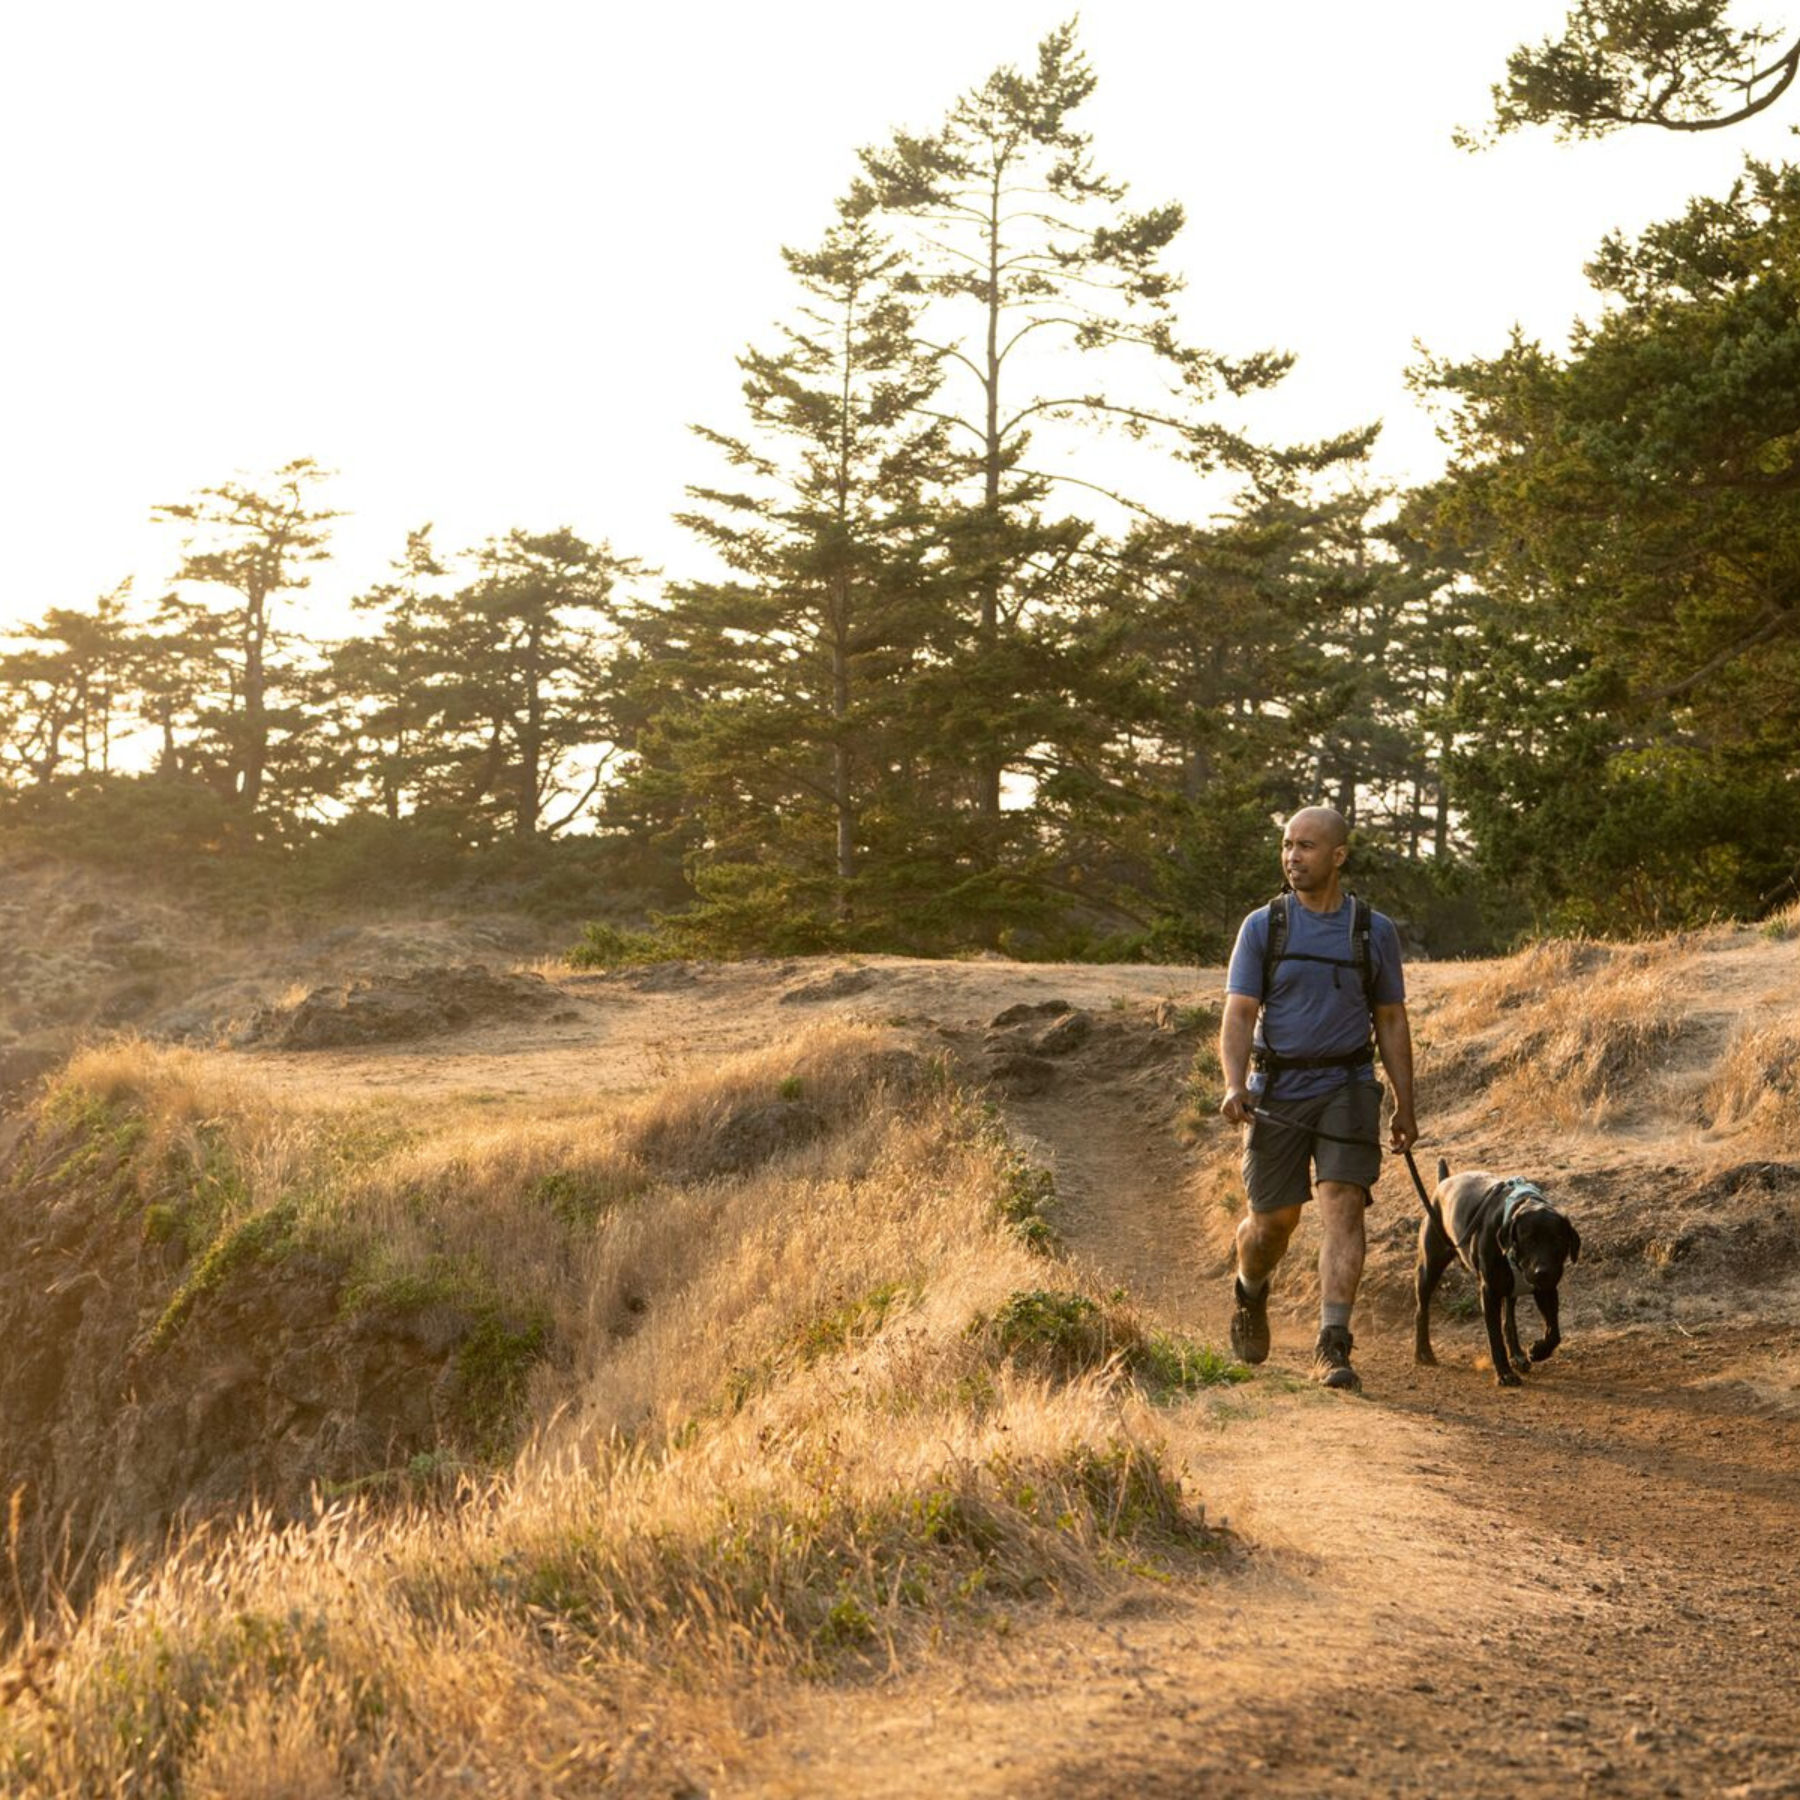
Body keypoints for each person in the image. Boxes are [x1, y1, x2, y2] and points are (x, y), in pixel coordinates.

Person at [1217, 806, 1417, 1393]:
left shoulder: (1372, 931)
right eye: (1286, 845)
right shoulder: (1264, 926)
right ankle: (1250, 1291)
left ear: (1338, 856)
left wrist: (1406, 1104)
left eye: (1305, 846)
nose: (1292, 857)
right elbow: (1239, 1013)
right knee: (1272, 1224)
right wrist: (1233, 1083)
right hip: (1275, 1088)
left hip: (1348, 1086)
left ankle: (1333, 1344)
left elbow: (1391, 1019)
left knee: (1343, 1205)